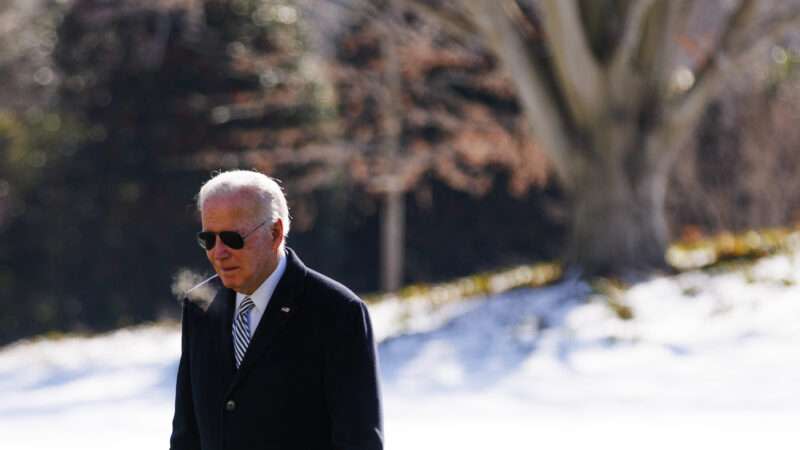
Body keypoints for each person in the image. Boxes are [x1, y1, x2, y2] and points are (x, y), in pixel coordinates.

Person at [170, 170, 383, 450]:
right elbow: (187, 435)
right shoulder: (200, 305)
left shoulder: (338, 313)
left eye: (233, 239)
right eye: (208, 239)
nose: (218, 253)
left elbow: (359, 442)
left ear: (275, 232)